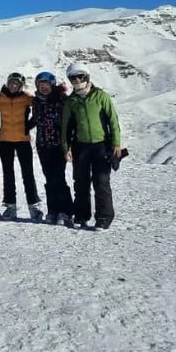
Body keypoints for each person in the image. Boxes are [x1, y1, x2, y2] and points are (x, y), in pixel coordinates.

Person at [61, 63, 123, 230]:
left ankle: (104, 217)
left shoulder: (100, 96)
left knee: (101, 181)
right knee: (80, 182)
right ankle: (81, 215)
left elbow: (113, 120)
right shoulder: (71, 101)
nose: (76, 80)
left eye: (79, 77)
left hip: (101, 145)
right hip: (80, 147)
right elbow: (66, 126)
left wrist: (116, 143)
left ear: (86, 77)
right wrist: (66, 148)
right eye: (72, 78)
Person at [0, 72, 42, 221]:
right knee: (8, 174)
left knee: (28, 174)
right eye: (11, 83)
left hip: (23, 140)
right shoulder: (0, 98)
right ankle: (10, 206)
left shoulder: (26, 98)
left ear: (21, 85)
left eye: (17, 83)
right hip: (5, 140)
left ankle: (34, 206)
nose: (13, 86)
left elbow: (40, 108)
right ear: (8, 83)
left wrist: (31, 123)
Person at [30, 71, 74, 226]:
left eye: (46, 85)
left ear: (52, 85)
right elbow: (36, 118)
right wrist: (26, 124)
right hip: (43, 145)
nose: (44, 88)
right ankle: (53, 210)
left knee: (59, 178)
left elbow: (70, 121)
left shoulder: (62, 100)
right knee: (49, 179)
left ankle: (67, 211)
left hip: (58, 145)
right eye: (40, 86)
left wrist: (69, 143)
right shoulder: (37, 102)